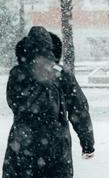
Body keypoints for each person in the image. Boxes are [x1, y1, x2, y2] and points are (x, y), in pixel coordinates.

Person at [2, 26, 95, 178]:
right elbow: (79, 109)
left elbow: (12, 102)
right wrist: (87, 143)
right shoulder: (62, 73)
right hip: (56, 143)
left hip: (22, 141)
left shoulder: (17, 73)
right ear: (51, 47)